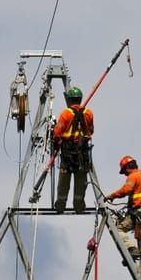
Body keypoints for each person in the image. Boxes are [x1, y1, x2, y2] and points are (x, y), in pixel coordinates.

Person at [104, 155, 141, 280]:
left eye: (124, 171)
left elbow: (127, 189)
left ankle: (130, 249)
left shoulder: (133, 176)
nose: (124, 175)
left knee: (117, 228)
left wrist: (111, 196)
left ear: (127, 168)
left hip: (140, 213)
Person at [50, 85, 94, 213]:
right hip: (83, 153)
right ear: (80, 99)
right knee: (81, 181)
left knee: (64, 180)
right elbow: (91, 130)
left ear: (69, 100)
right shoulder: (89, 113)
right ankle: (79, 206)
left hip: (68, 153)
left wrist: (56, 143)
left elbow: (57, 132)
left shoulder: (66, 114)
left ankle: (61, 205)